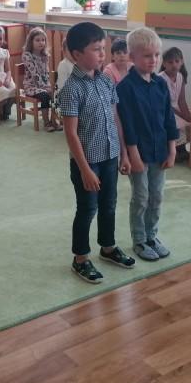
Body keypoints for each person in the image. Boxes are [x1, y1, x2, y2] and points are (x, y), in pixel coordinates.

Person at [59, 22, 135, 284]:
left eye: (103, 48)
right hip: (87, 163)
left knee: (109, 205)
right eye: (96, 49)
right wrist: (85, 170)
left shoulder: (105, 81)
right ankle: (80, 258)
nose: (102, 54)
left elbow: (115, 119)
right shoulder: (71, 89)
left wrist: (124, 153)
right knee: (87, 208)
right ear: (77, 54)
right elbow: (71, 133)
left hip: (110, 156)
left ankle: (108, 247)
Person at [116, 28, 178, 261]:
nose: (153, 60)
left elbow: (169, 118)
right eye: (147, 56)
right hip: (138, 153)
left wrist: (172, 149)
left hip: (160, 150)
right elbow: (127, 125)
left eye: (157, 55)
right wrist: (133, 155)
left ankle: (152, 236)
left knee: (157, 196)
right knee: (141, 197)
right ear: (132, 57)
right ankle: (140, 240)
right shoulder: (125, 88)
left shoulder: (161, 84)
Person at [159, 46, 191, 161]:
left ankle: (183, 148)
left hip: (175, 108)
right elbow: (164, 104)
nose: (174, 65)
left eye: (177, 61)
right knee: (177, 122)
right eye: (170, 62)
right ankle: (173, 150)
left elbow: (181, 100)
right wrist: (182, 115)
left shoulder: (180, 76)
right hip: (163, 109)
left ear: (182, 62)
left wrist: (188, 115)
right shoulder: (161, 79)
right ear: (164, 64)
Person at [22, 27, 59, 132]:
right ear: (31, 41)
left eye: (43, 40)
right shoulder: (27, 56)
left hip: (44, 85)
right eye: (37, 40)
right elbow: (35, 75)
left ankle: (54, 120)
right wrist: (45, 87)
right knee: (45, 96)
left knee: (57, 93)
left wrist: (50, 85)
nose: (41, 42)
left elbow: (46, 74)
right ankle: (46, 122)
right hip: (31, 86)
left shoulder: (45, 55)